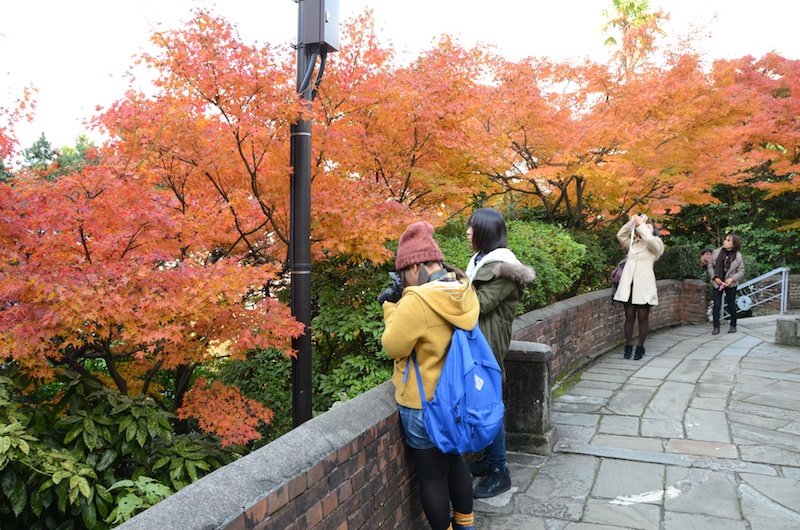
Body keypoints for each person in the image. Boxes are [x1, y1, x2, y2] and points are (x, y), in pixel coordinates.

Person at [380, 221, 477, 530]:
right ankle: (466, 524)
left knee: (432, 475)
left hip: (424, 403)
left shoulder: (417, 300)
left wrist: (389, 306)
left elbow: (393, 346)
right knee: (454, 463)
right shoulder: (463, 288)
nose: (405, 279)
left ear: (417, 265)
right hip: (458, 398)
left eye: (405, 272)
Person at [463, 208, 535, 499]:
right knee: (483, 402)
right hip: (477, 340)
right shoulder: (481, 261)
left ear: (486, 232)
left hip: (488, 344)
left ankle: (499, 472)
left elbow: (479, 303)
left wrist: (447, 286)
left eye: (472, 228)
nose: (467, 233)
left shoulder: (503, 268)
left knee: (489, 404)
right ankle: (491, 460)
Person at [612, 213, 664, 360]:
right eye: (642, 227)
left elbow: (649, 239)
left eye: (647, 228)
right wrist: (630, 224)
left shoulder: (656, 244)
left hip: (644, 287)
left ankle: (640, 347)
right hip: (629, 286)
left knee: (643, 318)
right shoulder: (634, 245)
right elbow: (620, 236)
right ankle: (628, 345)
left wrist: (642, 225)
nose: (642, 229)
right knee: (629, 317)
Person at [707, 234, 744, 335]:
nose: (725, 241)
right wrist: (715, 277)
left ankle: (733, 325)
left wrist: (732, 279)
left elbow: (741, 271)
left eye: (728, 240)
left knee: (731, 304)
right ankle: (716, 327)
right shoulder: (716, 252)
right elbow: (710, 265)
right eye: (725, 239)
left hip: (730, 284)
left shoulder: (738, 256)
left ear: (733, 244)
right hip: (717, 282)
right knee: (716, 305)